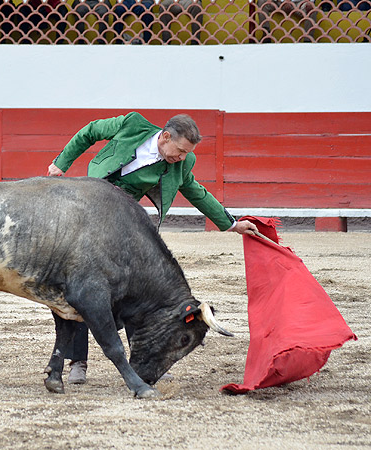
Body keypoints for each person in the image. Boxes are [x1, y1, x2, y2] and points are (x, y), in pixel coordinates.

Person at [46, 112, 258, 384]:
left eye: (186, 154)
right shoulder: (131, 125)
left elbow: (195, 191)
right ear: (165, 137)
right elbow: (90, 131)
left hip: (122, 222)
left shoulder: (182, 162)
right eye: (180, 150)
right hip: (88, 210)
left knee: (140, 289)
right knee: (78, 285)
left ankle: (143, 357)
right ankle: (78, 363)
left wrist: (232, 224)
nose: (181, 158)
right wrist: (61, 164)